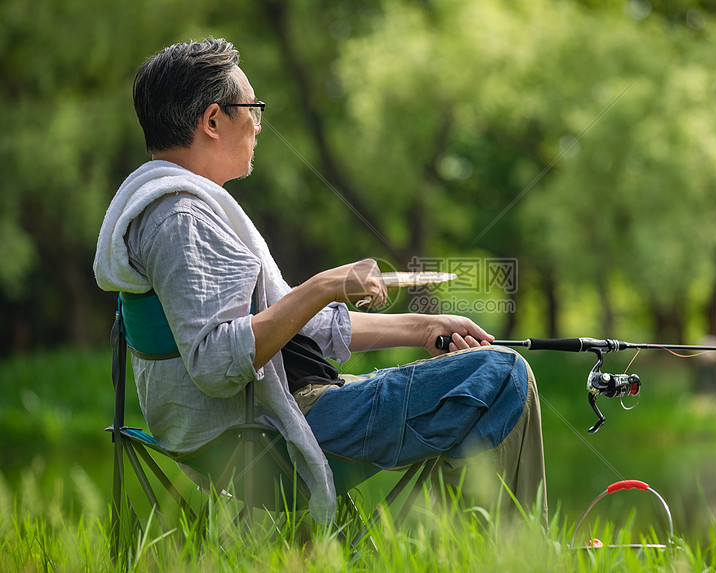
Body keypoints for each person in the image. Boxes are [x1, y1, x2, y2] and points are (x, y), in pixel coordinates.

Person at [93, 37, 546, 525]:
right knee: (501, 376)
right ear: (212, 120)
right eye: (252, 107)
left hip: (260, 419)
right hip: (269, 434)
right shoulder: (181, 219)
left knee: (487, 370)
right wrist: (325, 284)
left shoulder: (173, 211)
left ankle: (467, 546)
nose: (260, 123)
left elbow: (293, 326)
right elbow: (214, 361)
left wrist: (421, 326)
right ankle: (489, 551)